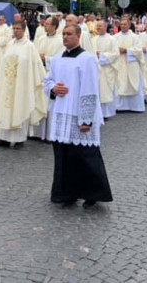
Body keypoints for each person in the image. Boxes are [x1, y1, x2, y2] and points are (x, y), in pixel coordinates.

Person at [45, 25, 112, 208]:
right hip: (61, 113)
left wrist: (86, 120)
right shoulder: (57, 58)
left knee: (85, 156)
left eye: (69, 34)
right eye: (64, 34)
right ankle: (66, 193)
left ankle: (93, 193)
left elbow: (90, 89)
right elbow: (47, 80)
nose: (65, 37)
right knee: (63, 156)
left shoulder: (87, 59)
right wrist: (53, 88)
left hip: (78, 114)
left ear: (78, 36)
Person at [0, 19, 46, 148]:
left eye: (18, 29)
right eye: (14, 28)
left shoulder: (29, 46)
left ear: (24, 30)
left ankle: (19, 139)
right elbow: (4, 61)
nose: (16, 31)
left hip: (22, 84)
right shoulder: (10, 44)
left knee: (20, 108)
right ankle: (4, 138)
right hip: (8, 82)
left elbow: (35, 65)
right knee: (6, 108)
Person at [114, 17, 144, 112]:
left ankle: (135, 106)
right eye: (121, 24)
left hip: (131, 64)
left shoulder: (135, 37)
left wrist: (127, 50)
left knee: (133, 82)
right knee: (120, 83)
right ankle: (119, 106)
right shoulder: (115, 37)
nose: (123, 26)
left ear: (129, 25)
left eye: (125, 24)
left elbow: (139, 50)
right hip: (120, 63)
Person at [93, 20, 119, 119]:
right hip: (96, 69)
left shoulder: (112, 39)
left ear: (105, 27)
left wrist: (102, 55)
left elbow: (115, 54)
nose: (99, 28)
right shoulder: (93, 39)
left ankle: (106, 113)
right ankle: (96, 113)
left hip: (107, 69)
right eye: (97, 26)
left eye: (100, 26)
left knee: (106, 90)